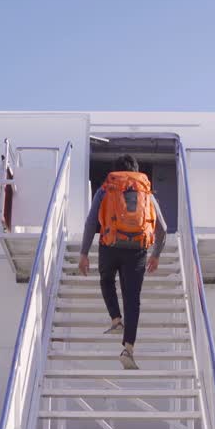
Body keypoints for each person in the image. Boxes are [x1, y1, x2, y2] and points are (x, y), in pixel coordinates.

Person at [78, 155, 168, 370]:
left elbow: (91, 222)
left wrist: (83, 253)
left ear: (115, 170)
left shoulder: (107, 188)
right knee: (132, 299)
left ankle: (116, 319)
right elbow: (162, 228)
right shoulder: (145, 191)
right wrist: (155, 255)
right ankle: (128, 348)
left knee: (106, 279)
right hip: (137, 250)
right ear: (136, 171)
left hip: (109, 246)